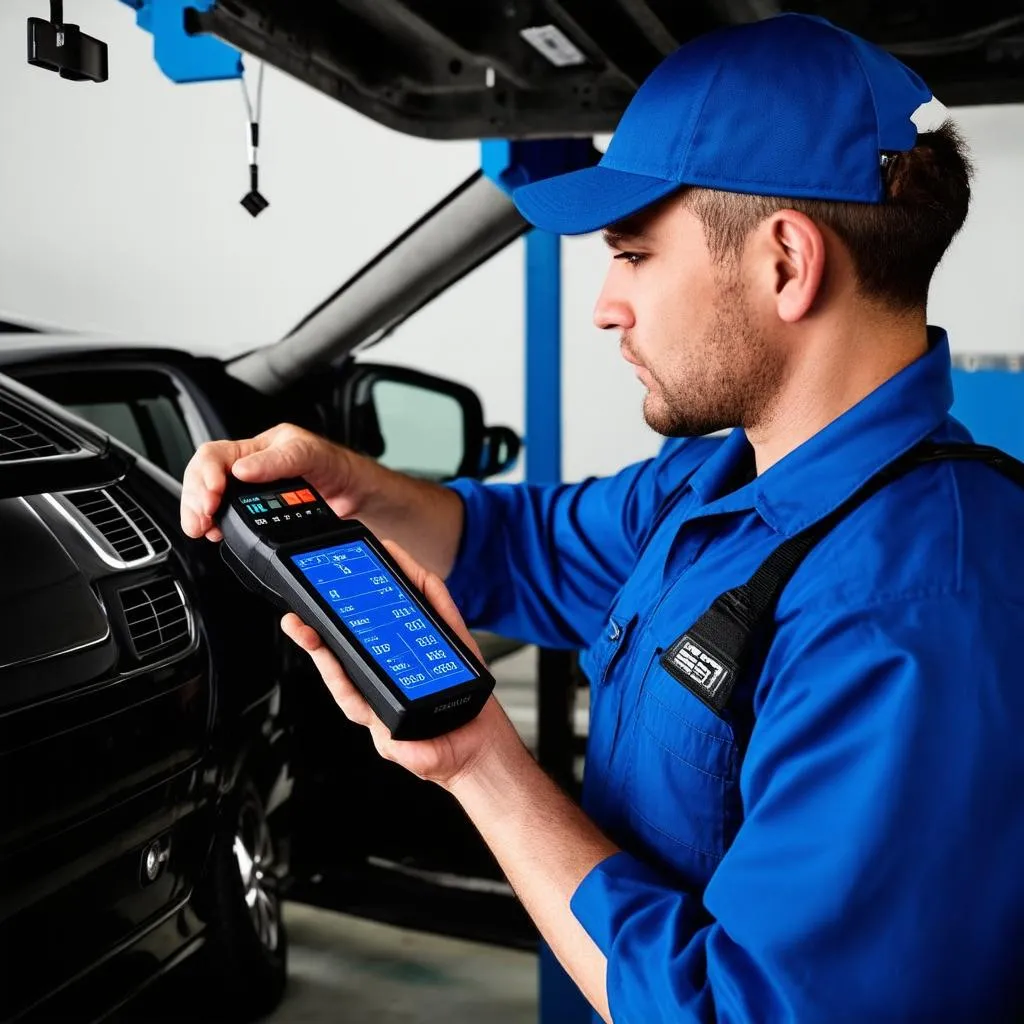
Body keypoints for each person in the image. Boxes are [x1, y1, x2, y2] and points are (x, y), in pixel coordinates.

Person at [181, 13, 1024, 1022]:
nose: (605, 305)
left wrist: (479, 764)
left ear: (785, 265)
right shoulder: (716, 482)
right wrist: (353, 483)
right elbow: (525, 547)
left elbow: (735, 1010)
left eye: (632, 253)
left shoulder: (910, 609)